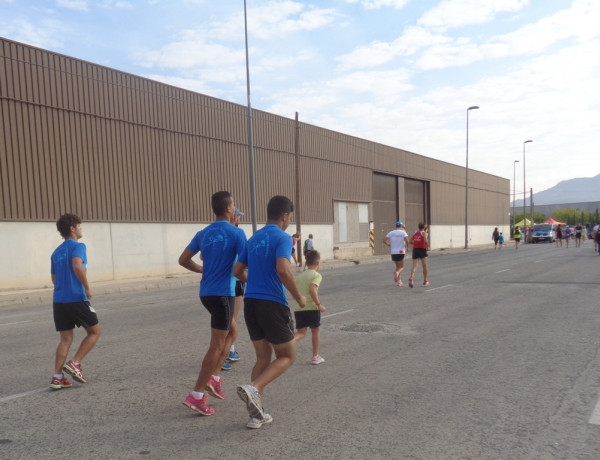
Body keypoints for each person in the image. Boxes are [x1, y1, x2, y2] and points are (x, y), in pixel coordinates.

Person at [233, 195, 306, 429]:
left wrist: (254, 281)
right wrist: (299, 297)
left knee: (263, 358)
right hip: (272, 304)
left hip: (251, 303)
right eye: (289, 217)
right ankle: (254, 388)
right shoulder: (283, 237)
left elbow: (237, 270)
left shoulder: (253, 239)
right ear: (285, 215)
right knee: (287, 355)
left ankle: (256, 414)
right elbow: (283, 269)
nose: (288, 221)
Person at [179, 191, 246, 416]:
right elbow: (242, 267)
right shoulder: (237, 233)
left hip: (206, 293)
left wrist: (204, 270)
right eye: (233, 205)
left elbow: (183, 259)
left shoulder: (203, 233)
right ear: (228, 209)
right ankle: (197, 394)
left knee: (232, 332)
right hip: (223, 295)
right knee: (217, 344)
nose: (234, 208)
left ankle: (215, 378)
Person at [50, 213, 101, 390]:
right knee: (94, 332)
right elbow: (77, 265)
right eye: (79, 226)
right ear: (72, 228)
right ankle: (75, 363)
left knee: (65, 339)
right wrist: (86, 287)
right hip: (76, 297)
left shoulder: (56, 252)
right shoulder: (78, 246)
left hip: (59, 299)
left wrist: (63, 289)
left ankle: (57, 377)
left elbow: (54, 278)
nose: (81, 228)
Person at [223, 207, 247, 370]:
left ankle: (229, 350)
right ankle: (223, 354)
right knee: (229, 320)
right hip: (233, 280)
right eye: (237, 216)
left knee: (231, 319)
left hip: (231, 280)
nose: (238, 219)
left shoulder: (223, 232)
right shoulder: (236, 233)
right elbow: (245, 256)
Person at [294, 250, 326, 364]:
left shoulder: (300, 276)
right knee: (315, 330)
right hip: (311, 307)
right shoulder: (316, 275)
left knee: (301, 333)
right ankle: (315, 356)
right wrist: (319, 304)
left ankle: (288, 342)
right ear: (318, 263)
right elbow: (312, 289)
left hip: (299, 308)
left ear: (306, 263)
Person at [383, 221, 409, 286]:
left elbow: (384, 240)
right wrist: (407, 247)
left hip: (393, 252)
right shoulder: (403, 232)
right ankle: (397, 273)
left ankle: (399, 281)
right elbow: (407, 240)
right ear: (401, 227)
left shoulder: (391, 232)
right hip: (401, 252)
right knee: (401, 267)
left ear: (396, 226)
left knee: (398, 266)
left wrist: (388, 244)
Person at [408, 222, 429, 288]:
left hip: (415, 250)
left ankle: (411, 277)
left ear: (418, 227)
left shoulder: (415, 233)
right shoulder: (424, 233)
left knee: (414, 266)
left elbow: (410, 241)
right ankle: (425, 281)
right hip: (422, 250)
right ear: (424, 227)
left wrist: (416, 242)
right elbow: (425, 241)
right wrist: (427, 246)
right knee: (424, 266)